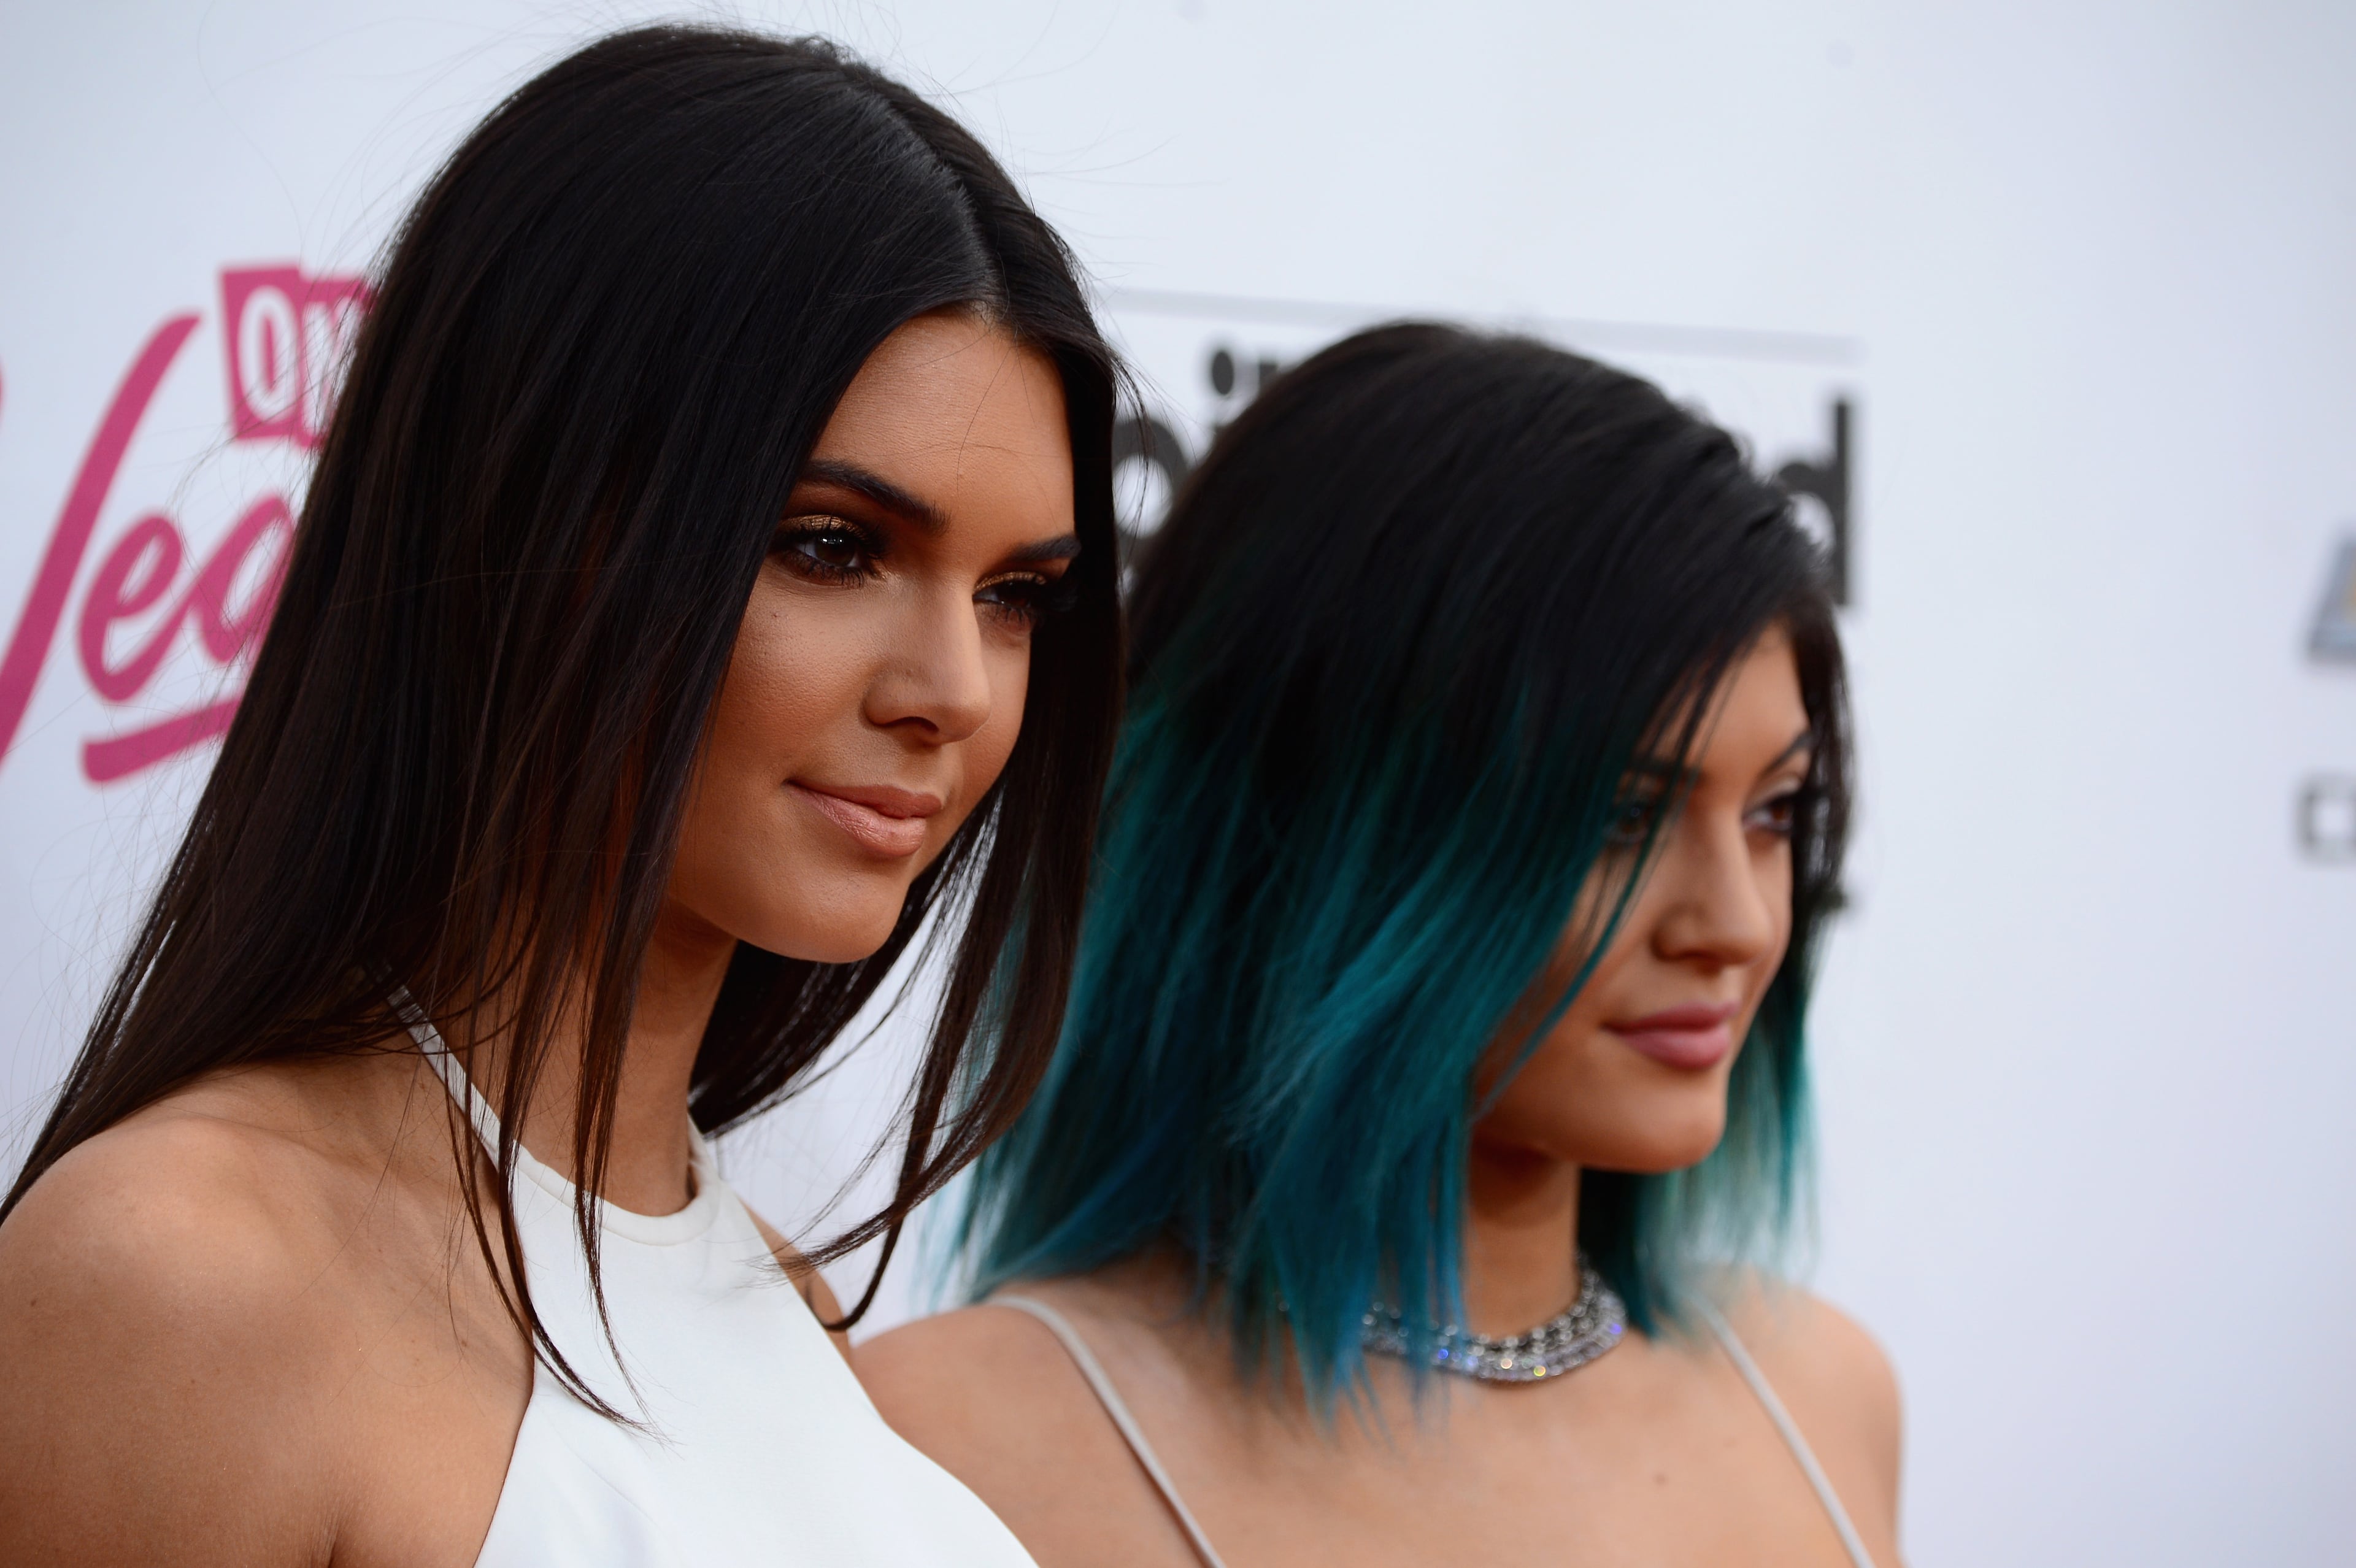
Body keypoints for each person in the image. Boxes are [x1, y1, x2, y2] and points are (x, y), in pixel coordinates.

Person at [0, 25, 1122, 1567]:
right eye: (832, 547)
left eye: (1015, 593)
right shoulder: (183, 1272)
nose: (958, 690)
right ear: (525, 507)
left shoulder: (774, 1295)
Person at [861, 323, 1903, 1566]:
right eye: (1619, 817)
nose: (1734, 926)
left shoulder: (1823, 1395)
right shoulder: (954, 1447)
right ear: (1326, 824)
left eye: (1775, 812)